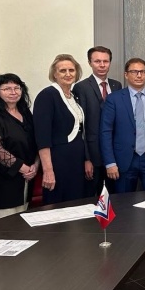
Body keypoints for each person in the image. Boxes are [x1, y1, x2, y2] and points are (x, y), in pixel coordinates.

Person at [100, 58, 145, 193]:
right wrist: (110, 162)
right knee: (123, 201)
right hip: (123, 160)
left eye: (142, 72)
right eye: (134, 72)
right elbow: (106, 132)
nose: (139, 75)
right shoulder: (114, 99)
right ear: (126, 74)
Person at [0, 74, 38, 219]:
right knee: (5, 225)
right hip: (3, 181)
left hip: (26, 179)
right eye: (7, 89)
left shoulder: (26, 113)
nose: (13, 92)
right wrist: (22, 167)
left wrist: (35, 165)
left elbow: (37, 142)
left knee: (23, 222)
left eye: (17, 88)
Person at [33, 54, 88, 204]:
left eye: (71, 70)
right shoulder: (47, 95)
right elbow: (42, 137)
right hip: (58, 160)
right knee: (58, 205)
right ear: (55, 74)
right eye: (63, 70)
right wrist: (48, 170)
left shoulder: (73, 96)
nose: (68, 74)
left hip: (75, 160)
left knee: (75, 204)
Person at [73, 46, 122, 196]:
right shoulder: (81, 87)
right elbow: (81, 126)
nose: (102, 65)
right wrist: (86, 158)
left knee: (115, 198)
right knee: (91, 198)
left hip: (115, 153)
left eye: (105, 61)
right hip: (93, 155)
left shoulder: (117, 85)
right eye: (97, 61)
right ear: (90, 63)